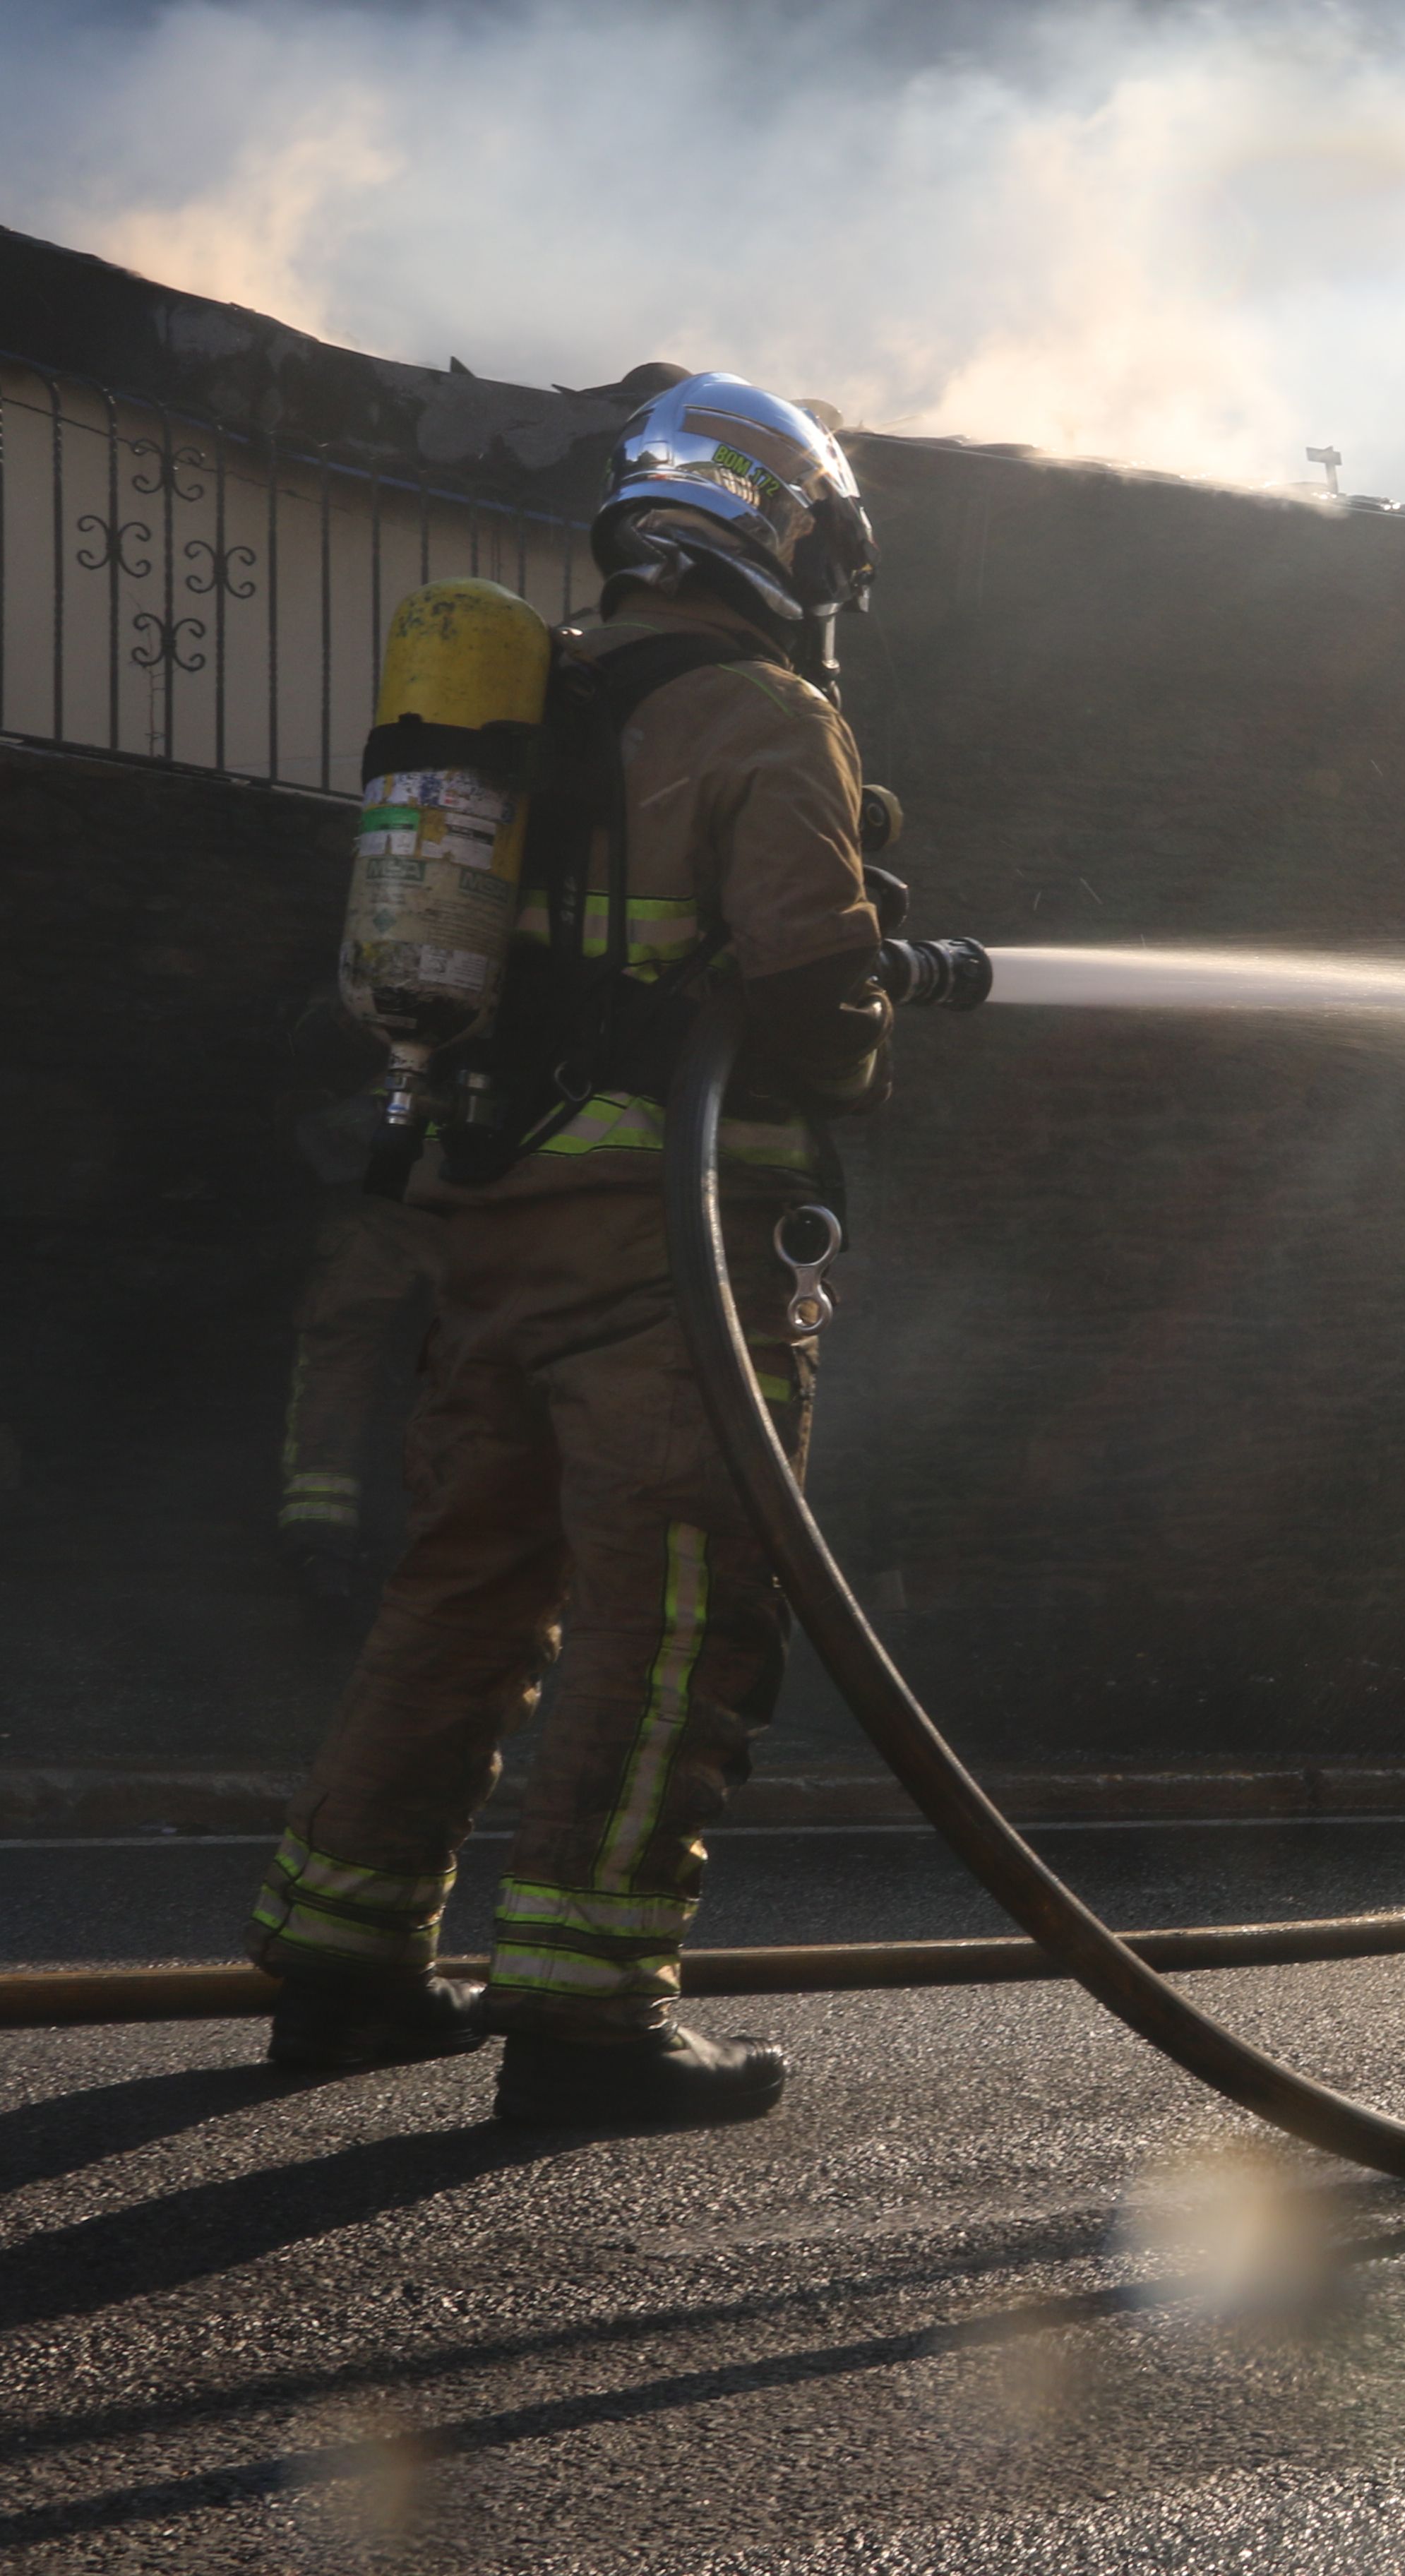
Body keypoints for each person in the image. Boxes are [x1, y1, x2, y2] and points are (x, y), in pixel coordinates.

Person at [246, 374, 897, 2125]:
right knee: (676, 1614)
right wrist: (871, 990)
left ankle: (342, 1959)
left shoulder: (517, 705)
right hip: (667, 1263)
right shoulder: (763, 714)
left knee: (465, 1585)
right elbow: (813, 996)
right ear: (780, 535)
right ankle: (589, 2017)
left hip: (485, 1236)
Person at [273, 991, 446, 1628]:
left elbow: (312, 1061)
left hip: (377, 1197)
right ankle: (430, 1541)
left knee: (340, 1358)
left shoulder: (377, 982)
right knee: (466, 1366)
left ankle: (324, 1544)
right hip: (464, 1201)